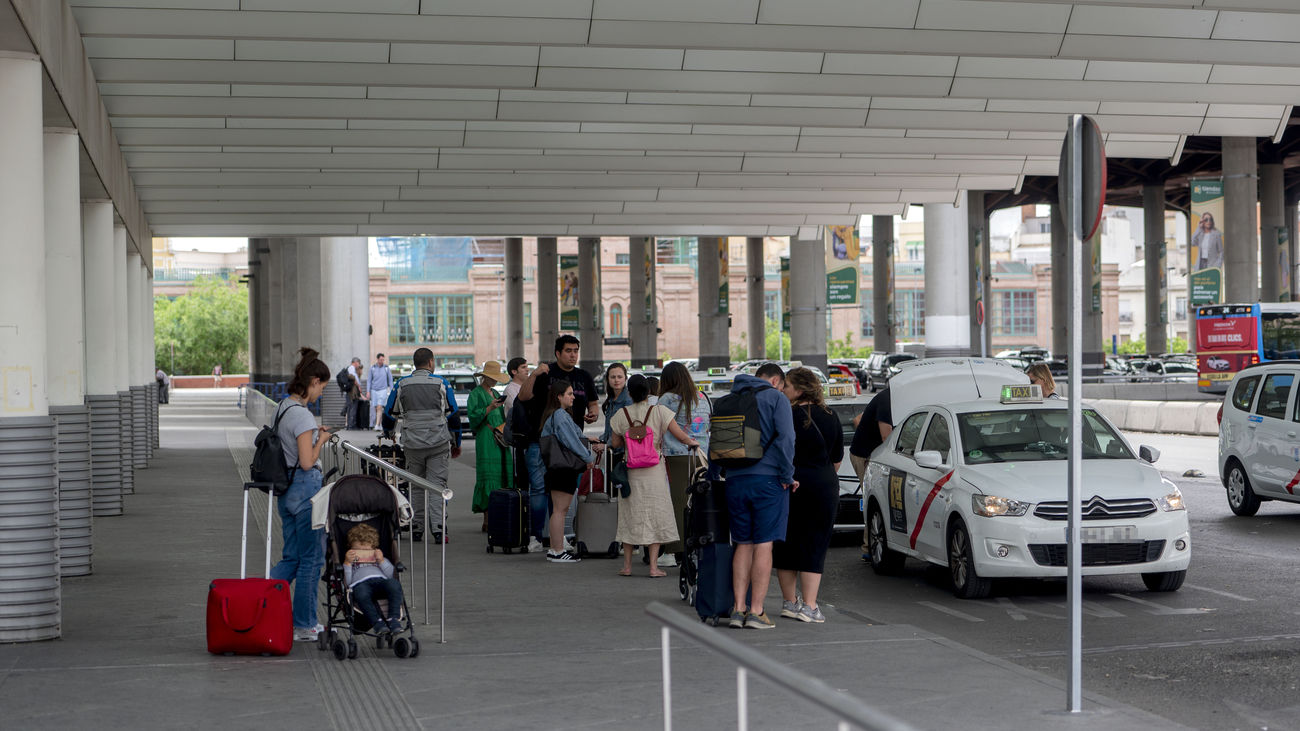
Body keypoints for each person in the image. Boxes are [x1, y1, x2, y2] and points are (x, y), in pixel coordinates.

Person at [723, 362, 796, 630]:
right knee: (764, 544)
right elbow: (787, 439)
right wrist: (788, 477)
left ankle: (737, 608)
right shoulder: (776, 398)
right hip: (768, 481)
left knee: (743, 543)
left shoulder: (730, 398)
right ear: (776, 380)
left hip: (734, 480)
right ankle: (756, 611)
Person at [269, 347, 335, 641]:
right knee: (312, 560)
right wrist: (321, 440)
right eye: (321, 386)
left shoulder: (282, 408)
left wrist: (311, 436)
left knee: (292, 557)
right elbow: (308, 462)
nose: (321, 392)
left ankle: (260, 599)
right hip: (307, 490)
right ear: (313, 382)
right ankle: (305, 624)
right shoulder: (305, 418)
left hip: (287, 493)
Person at [774, 367, 844, 624]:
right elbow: (837, 458)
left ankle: (789, 602)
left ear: (799, 390)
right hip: (823, 485)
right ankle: (810, 606)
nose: (783, 390)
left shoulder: (785, 416)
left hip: (789, 485)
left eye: (787, 386)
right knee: (815, 543)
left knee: (787, 542)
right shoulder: (830, 416)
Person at [609, 375, 698, 577]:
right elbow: (679, 435)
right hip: (654, 470)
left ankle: (627, 566)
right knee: (655, 514)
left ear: (629, 393)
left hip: (631, 472)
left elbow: (614, 443)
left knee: (630, 514)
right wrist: (693, 442)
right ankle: (653, 567)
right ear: (648, 393)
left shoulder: (621, 414)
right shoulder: (659, 411)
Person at [519, 335, 599, 550]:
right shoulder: (546, 373)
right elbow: (524, 396)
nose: (573, 355)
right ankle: (536, 537)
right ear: (558, 353)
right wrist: (534, 373)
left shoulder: (584, 376)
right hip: (542, 443)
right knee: (539, 491)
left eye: (576, 350)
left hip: (571, 447)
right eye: (568, 351)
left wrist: (593, 414)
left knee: (564, 496)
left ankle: (559, 538)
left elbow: (593, 404)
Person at [383, 347, 462, 544]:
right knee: (437, 486)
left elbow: (387, 414)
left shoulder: (402, 384)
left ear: (414, 363)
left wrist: (389, 433)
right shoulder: (441, 383)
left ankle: (416, 527)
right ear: (431, 362)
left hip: (412, 443)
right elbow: (453, 415)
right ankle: (438, 530)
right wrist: (456, 442)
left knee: (416, 485)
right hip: (438, 442)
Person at [539, 380, 604, 563]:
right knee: (561, 510)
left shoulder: (555, 415)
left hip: (556, 468)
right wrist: (588, 458)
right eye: (569, 394)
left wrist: (588, 439)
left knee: (558, 510)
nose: (573, 396)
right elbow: (571, 441)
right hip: (563, 469)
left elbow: (575, 436)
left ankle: (555, 548)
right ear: (559, 396)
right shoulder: (560, 415)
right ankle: (557, 550)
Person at [656, 361, 712, 567]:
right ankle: (698, 546)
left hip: (676, 456)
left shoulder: (666, 399)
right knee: (698, 502)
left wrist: (685, 440)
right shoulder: (702, 397)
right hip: (701, 455)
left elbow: (665, 426)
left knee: (678, 503)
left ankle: (674, 551)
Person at [468, 361, 513, 531]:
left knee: (500, 474)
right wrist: (489, 408)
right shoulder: (476, 394)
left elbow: (501, 416)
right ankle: (487, 518)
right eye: (492, 378)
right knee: (488, 477)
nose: (494, 381)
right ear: (484, 377)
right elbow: (473, 418)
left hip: (498, 437)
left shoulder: (494, 392)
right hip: (486, 438)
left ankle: (498, 514)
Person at [849, 387, 892, 558]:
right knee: (873, 497)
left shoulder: (886, 398)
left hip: (867, 453)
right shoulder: (887, 400)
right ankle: (869, 547)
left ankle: (871, 545)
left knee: (873, 498)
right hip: (864, 456)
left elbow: (858, 419)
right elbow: (886, 438)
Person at [343, 523, 404, 636]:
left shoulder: (378, 558)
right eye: (357, 550)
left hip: (380, 581)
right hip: (360, 583)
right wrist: (347, 563)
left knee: (394, 584)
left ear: (373, 548)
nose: (363, 554)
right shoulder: (351, 563)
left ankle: (393, 619)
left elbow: (391, 575)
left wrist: (381, 560)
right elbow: (348, 582)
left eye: (366, 550)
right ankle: (377, 622)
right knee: (360, 592)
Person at [600, 363, 632, 443]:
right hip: (611, 450)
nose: (616, 380)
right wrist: (601, 440)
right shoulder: (611, 400)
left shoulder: (628, 401)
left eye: (620, 377)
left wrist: (606, 445)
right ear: (608, 379)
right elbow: (609, 430)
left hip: (623, 451)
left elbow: (626, 431)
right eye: (613, 377)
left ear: (625, 379)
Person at [367, 353, 394, 431]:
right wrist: (368, 391)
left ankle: (377, 424)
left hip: (383, 390)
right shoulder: (372, 368)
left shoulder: (386, 368)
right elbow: (369, 381)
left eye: (383, 359)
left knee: (380, 406)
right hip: (374, 390)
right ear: (377, 359)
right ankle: (379, 424)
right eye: (381, 359)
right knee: (376, 408)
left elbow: (390, 380)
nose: (382, 361)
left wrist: (392, 390)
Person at [345, 357, 364, 429]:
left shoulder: (350, 368)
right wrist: (359, 386)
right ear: (355, 363)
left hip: (350, 392)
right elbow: (353, 378)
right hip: (352, 392)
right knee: (353, 408)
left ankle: (350, 425)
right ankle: (351, 425)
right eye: (358, 364)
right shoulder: (351, 368)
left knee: (351, 408)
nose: (358, 365)